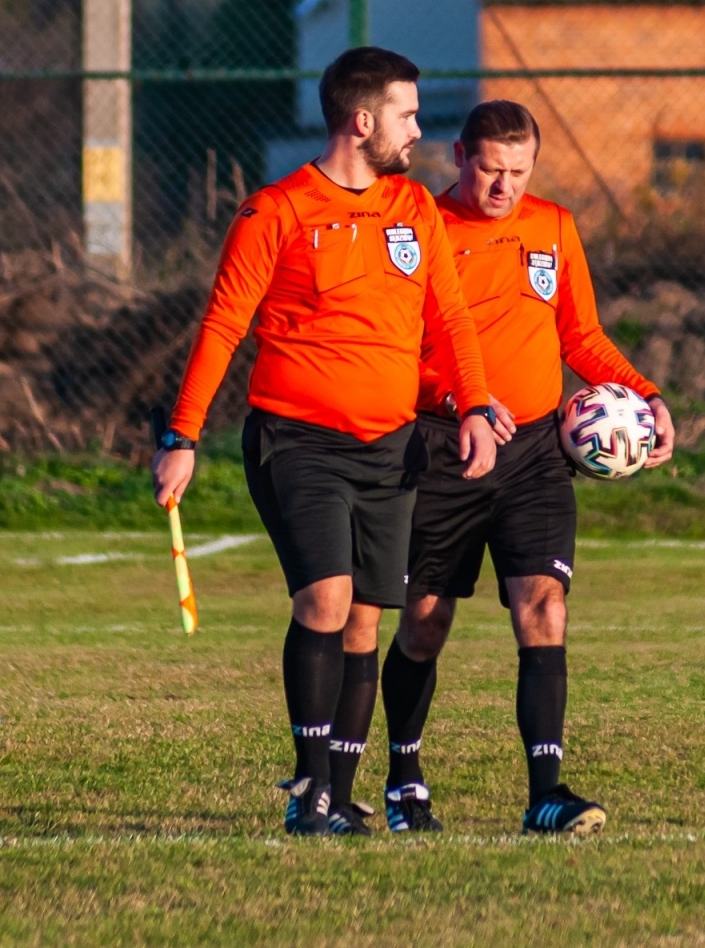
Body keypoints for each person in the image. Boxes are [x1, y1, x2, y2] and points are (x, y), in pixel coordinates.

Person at [152, 47, 497, 837]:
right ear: (363, 120)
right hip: (297, 440)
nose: (419, 129)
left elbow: (451, 320)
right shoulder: (273, 211)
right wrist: (183, 435)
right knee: (327, 599)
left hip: (393, 445)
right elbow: (223, 326)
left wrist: (475, 405)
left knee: (368, 622)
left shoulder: (414, 211)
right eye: (408, 114)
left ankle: (338, 794)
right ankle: (309, 789)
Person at [376, 100, 675, 836]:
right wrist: (460, 399)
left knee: (543, 607)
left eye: (518, 172)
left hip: (539, 451)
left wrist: (646, 393)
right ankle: (404, 777)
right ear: (459, 157)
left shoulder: (553, 227)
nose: (504, 187)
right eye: (490, 170)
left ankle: (547, 793)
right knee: (425, 620)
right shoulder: (424, 231)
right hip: (445, 447)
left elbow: (581, 334)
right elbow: (398, 356)